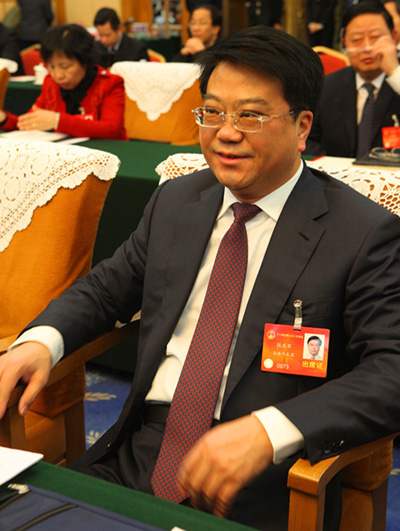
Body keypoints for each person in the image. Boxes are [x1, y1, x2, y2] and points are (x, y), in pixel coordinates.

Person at [1, 25, 400, 531]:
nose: (226, 133)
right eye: (212, 112)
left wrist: (271, 429)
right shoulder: (177, 201)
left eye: (250, 116)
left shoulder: (360, 232)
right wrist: (40, 342)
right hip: (141, 453)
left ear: (302, 127)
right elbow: (105, 290)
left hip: (265, 479)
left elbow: (391, 367)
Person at [305, 1, 400, 158]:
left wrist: (394, 72)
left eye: (375, 37)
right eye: (357, 40)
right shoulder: (327, 86)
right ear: (344, 43)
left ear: (393, 37)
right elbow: (306, 138)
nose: (367, 48)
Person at [0, 24, 127, 140]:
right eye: (51, 66)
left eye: (65, 66)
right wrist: (4, 119)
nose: (58, 75)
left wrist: (57, 121)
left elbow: (111, 129)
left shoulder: (109, 83)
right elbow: (30, 122)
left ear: (85, 61)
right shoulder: (51, 83)